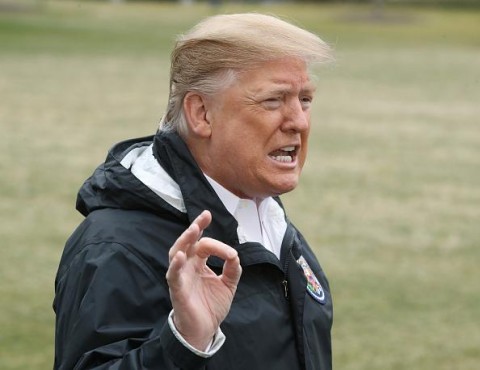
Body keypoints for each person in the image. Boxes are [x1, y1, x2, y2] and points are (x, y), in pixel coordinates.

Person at [53, 13, 333, 370]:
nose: (299, 121)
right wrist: (183, 342)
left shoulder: (266, 218)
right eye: (273, 101)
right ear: (201, 114)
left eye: (305, 99)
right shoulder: (116, 247)